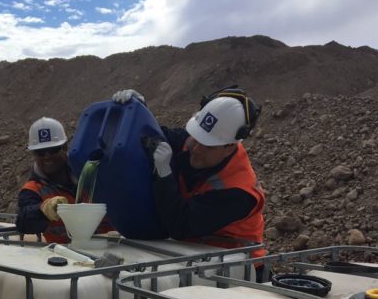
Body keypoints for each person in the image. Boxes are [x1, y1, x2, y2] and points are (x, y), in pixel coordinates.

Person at [112, 87, 266, 275]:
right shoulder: (193, 142)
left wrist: (164, 175)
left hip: (238, 268)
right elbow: (153, 136)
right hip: (193, 257)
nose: (196, 148)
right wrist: (136, 112)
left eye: (207, 145)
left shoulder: (239, 192)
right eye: (196, 137)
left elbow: (181, 225)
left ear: (229, 147)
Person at [16, 117, 111, 243]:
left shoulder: (90, 171)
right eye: (40, 152)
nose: (47, 157)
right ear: (33, 155)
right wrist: (42, 209)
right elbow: (24, 223)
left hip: (116, 249)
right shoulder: (32, 190)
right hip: (67, 257)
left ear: (65, 147)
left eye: (53, 149)